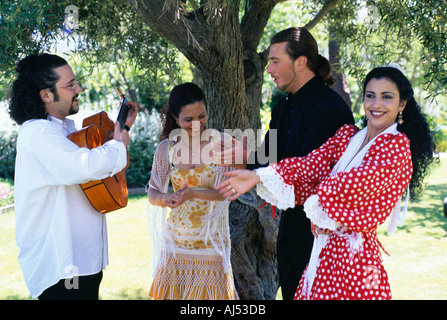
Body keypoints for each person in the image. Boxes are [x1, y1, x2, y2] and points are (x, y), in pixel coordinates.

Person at [216, 66, 436, 300]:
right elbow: (310, 165)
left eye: (387, 97)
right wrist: (258, 175)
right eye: (370, 95)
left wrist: (317, 200)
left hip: (355, 260)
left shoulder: (395, 146)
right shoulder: (348, 136)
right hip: (323, 253)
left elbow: (353, 184)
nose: (376, 104)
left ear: (402, 105)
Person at [211, 27, 354, 300]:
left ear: (300, 62)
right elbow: (271, 159)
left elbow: (308, 171)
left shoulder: (329, 108)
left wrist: (249, 162)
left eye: (276, 61)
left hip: (323, 234)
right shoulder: (282, 107)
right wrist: (245, 157)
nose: (269, 68)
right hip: (290, 226)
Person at [8, 53, 138, 300]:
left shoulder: (64, 129)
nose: (78, 89)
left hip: (82, 261)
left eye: (75, 82)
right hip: (61, 266)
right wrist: (119, 144)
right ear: (46, 95)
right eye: (70, 85)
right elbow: (85, 166)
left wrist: (122, 129)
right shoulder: (37, 133)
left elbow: (96, 165)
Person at [147, 82, 238, 300]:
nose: (197, 124)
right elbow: (152, 193)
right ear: (176, 118)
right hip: (175, 244)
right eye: (189, 119)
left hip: (211, 243)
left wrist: (194, 193)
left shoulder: (221, 144)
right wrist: (166, 198)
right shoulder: (165, 148)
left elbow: (228, 191)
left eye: (202, 116)